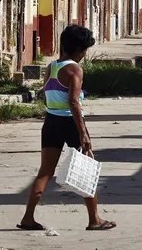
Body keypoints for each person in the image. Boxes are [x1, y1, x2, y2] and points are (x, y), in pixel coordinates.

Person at [19, 25, 116, 232]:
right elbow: (73, 103)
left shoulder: (51, 67)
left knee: (45, 172)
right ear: (80, 50)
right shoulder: (75, 70)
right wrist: (83, 134)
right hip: (71, 123)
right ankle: (94, 220)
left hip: (51, 122)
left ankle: (28, 217)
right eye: (84, 51)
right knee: (87, 171)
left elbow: (47, 94)